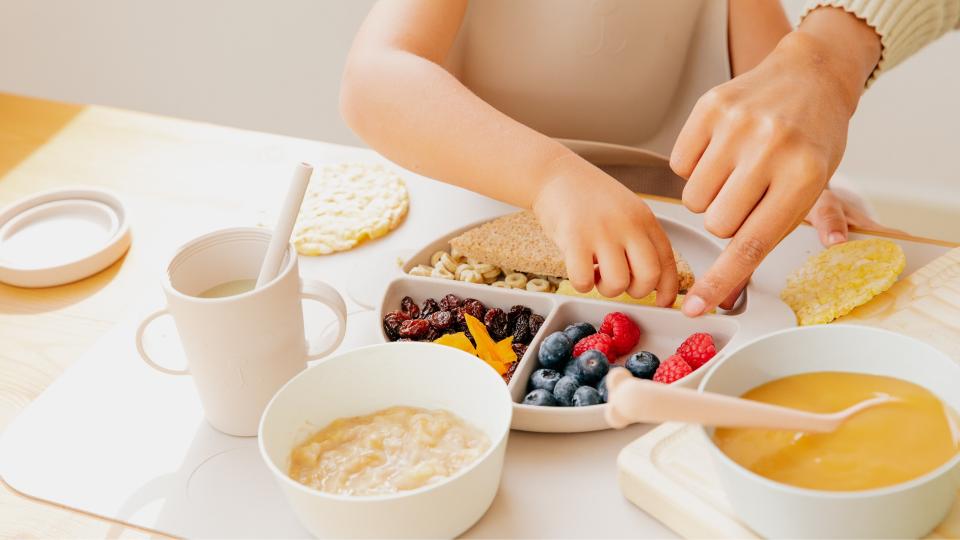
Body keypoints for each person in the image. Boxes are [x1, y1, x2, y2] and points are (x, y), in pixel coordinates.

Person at [340, 0, 959, 316]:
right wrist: (551, 177)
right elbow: (374, 81)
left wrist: (802, 182)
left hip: (678, 219)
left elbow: (776, 93)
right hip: (484, 199)